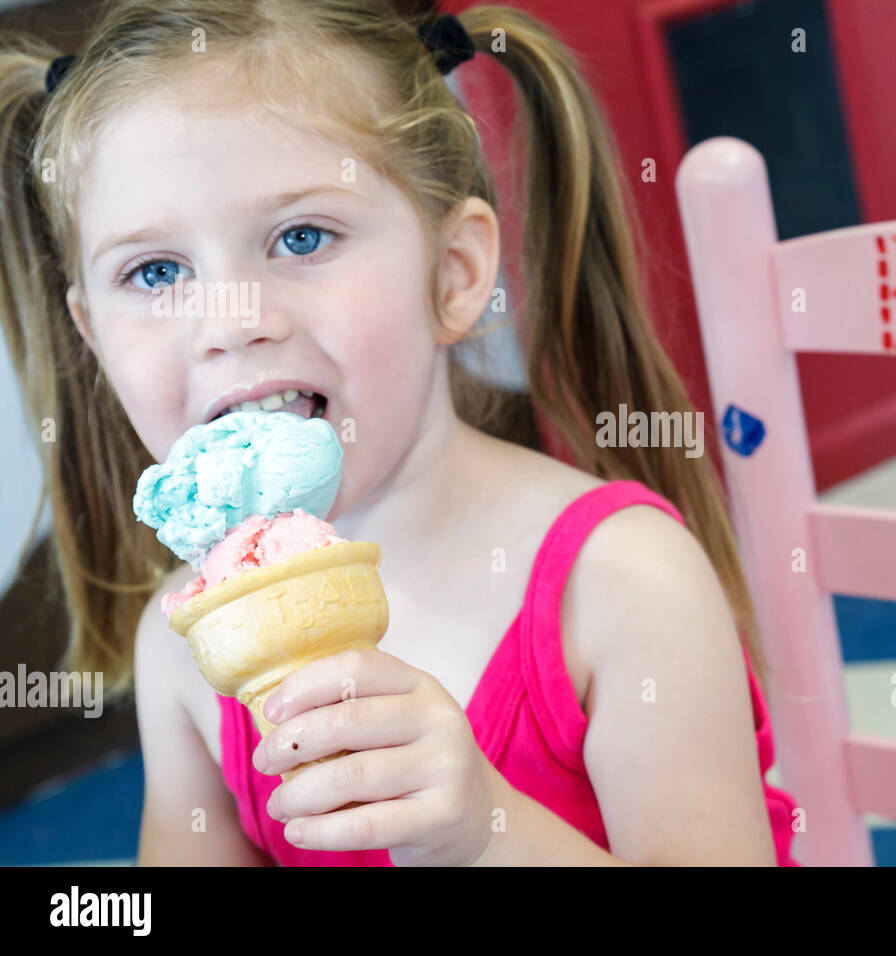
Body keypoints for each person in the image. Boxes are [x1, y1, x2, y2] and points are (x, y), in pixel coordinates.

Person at [0, 0, 799, 866]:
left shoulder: (622, 584)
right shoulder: (188, 644)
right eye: (154, 271)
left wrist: (488, 832)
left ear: (454, 275)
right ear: (92, 333)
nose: (229, 321)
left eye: (301, 236)